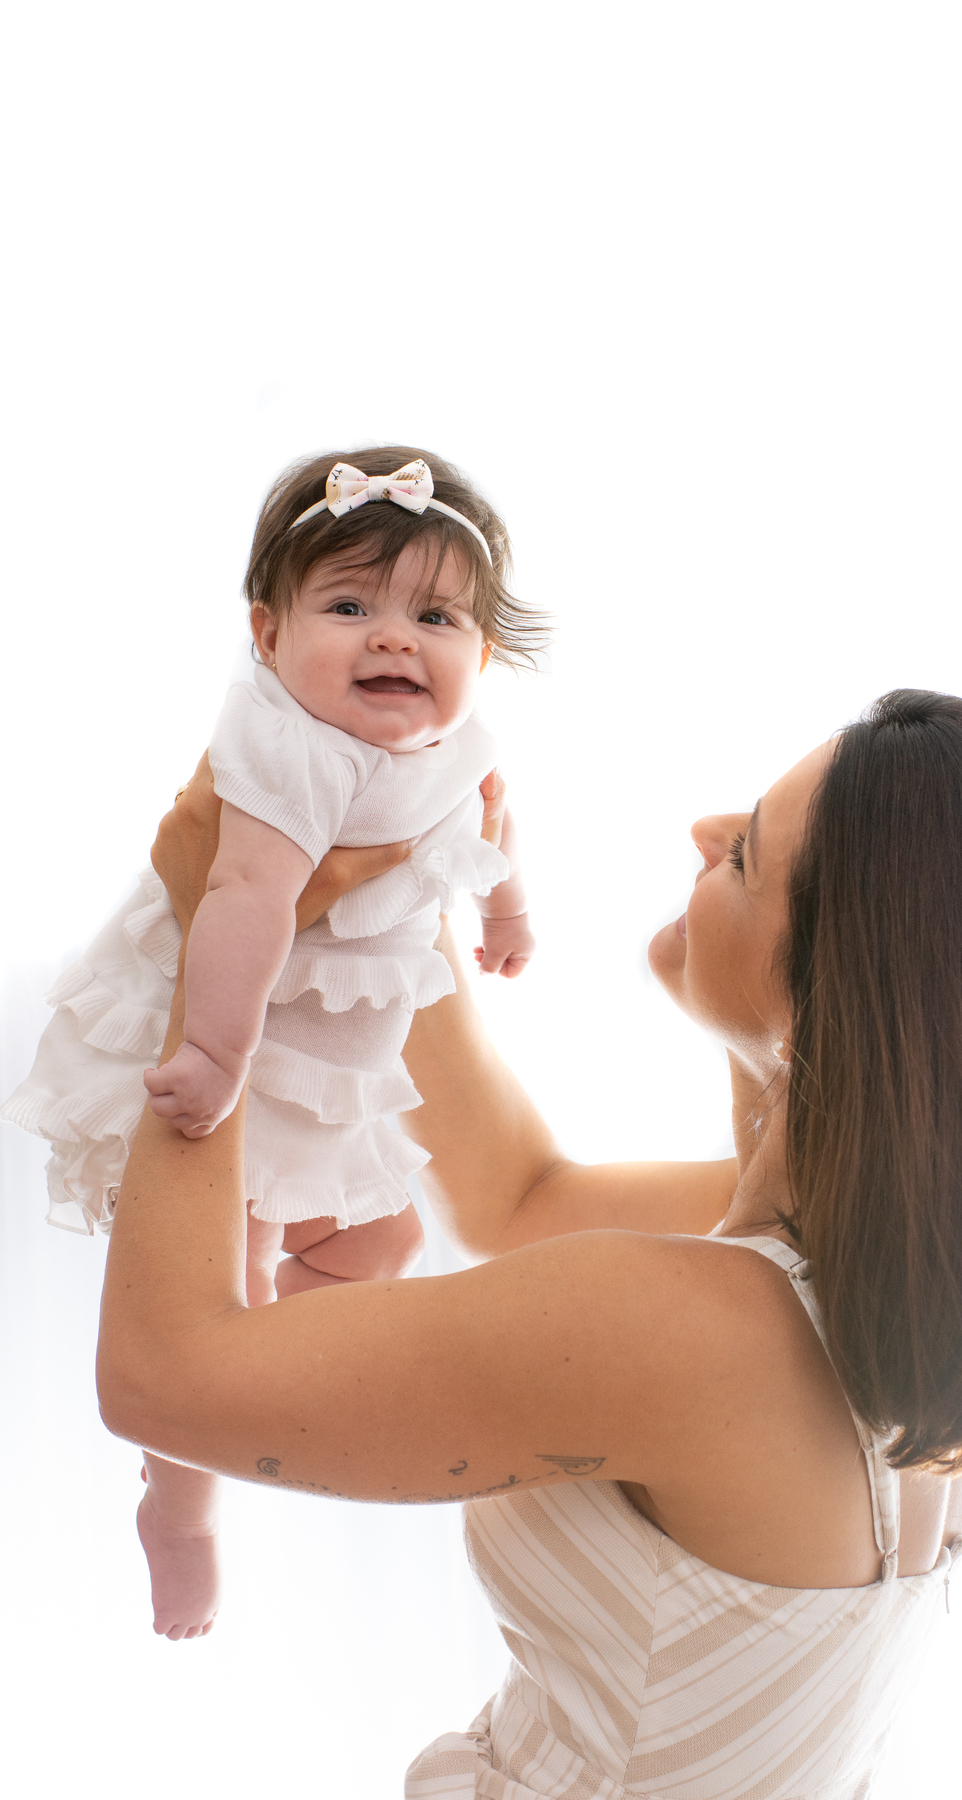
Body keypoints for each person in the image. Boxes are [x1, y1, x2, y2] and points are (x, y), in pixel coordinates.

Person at [96, 691, 962, 1799]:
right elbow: (516, 1198)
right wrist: (393, 873)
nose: (706, 831)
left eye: (748, 856)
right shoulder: (895, 1258)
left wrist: (220, 949)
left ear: (827, 991)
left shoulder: (709, 1331)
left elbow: (164, 1376)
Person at [2, 445, 544, 1639]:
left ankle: (273, 1373)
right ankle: (180, 1512)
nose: (394, 639)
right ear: (266, 633)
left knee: (391, 1233)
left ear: (484, 650)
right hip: (230, 1028)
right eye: (348, 607)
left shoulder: (456, 740)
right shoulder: (286, 750)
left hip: (336, 1058)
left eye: (435, 615)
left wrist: (505, 912)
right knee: (222, 1288)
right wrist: (212, 1055)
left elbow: (492, 807)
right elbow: (243, 902)